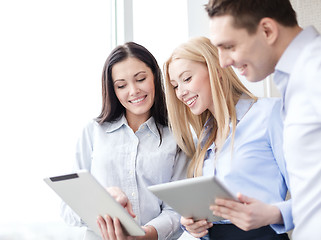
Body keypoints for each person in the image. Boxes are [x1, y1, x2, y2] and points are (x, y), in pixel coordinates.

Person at [205, 0, 321, 239]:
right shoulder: (295, 80)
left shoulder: (315, 71)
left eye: (229, 46)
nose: (224, 61)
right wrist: (274, 213)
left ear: (267, 30)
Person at [163, 36, 293, 240]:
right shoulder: (205, 138)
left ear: (216, 70)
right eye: (175, 86)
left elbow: (313, 197)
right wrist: (192, 225)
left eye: (187, 79)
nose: (180, 92)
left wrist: (273, 214)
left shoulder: (269, 114)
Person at [61, 42, 188, 240]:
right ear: (113, 90)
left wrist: (146, 235)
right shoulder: (93, 132)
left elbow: (177, 210)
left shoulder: (177, 137)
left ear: (155, 77)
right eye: (121, 85)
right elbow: (68, 208)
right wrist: (102, 199)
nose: (133, 91)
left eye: (141, 79)